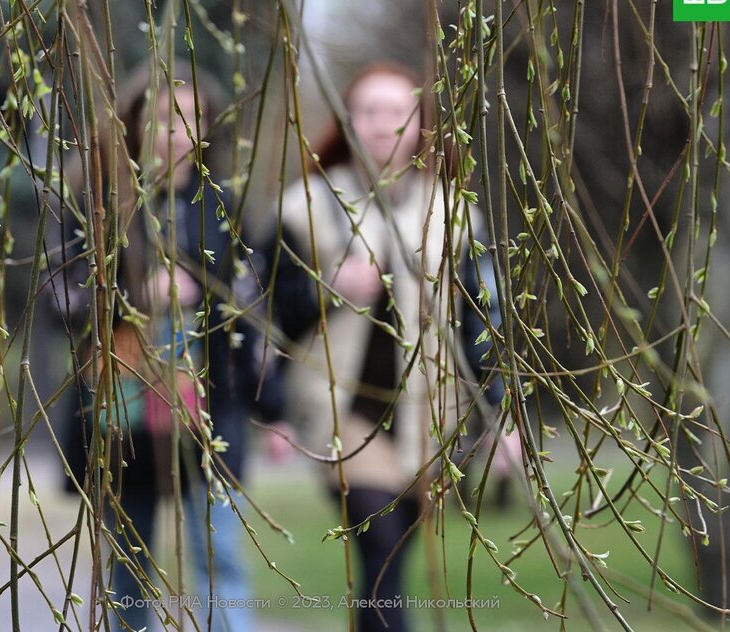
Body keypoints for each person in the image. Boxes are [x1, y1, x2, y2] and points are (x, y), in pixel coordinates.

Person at [270, 61, 519, 632]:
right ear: (347, 120)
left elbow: (482, 319)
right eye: (369, 110)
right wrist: (329, 290)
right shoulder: (304, 205)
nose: (383, 124)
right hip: (342, 411)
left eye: (397, 111)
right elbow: (272, 314)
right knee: (381, 550)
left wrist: (498, 409)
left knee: (389, 566)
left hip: (431, 414)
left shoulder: (455, 212)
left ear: (419, 125)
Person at [58, 61, 278, 632]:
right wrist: (133, 292)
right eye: (161, 118)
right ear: (136, 125)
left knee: (217, 551)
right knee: (130, 560)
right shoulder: (101, 204)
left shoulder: (223, 206)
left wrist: (203, 291)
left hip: (211, 410)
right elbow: (63, 297)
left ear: (205, 129)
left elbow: (251, 310)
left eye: (189, 118)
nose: (175, 131)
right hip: (125, 408)